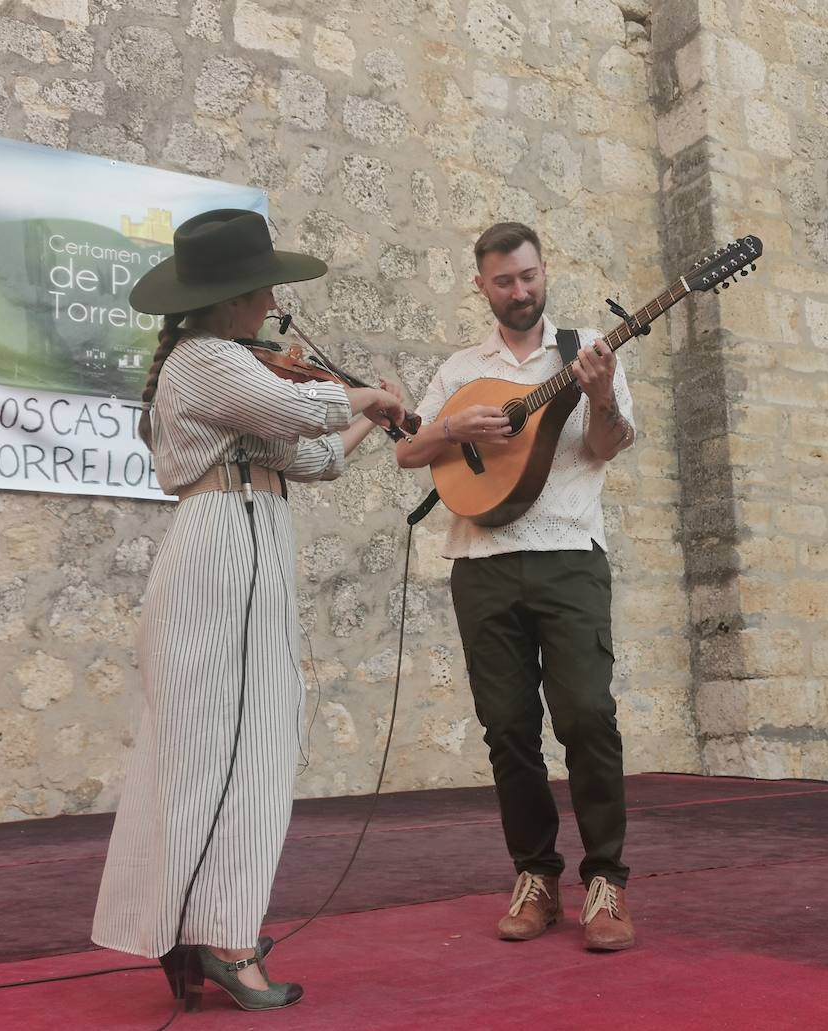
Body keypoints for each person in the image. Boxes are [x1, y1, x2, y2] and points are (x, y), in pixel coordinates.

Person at [91, 209, 406, 1011]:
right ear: (230, 296)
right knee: (223, 747)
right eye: (261, 286)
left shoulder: (235, 375)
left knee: (257, 742)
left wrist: (372, 413)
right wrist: (362, 391)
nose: (271, 300)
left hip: (253, 549)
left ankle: (215, 919)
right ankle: (217, 935)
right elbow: (302, 410)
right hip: (218, 554)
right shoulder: (202, 362)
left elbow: (315, 456)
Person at [394, 221, 637, 950]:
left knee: (587, 714)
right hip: (481, 561)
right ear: (483, 286)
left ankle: (606, 881)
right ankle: (536, 876)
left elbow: (605, 447)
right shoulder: (461, 367)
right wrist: (453, 425)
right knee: (507, 728)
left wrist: (598, 399)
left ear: (544, 271)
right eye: (504, 280)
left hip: (568, 552)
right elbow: (410, 450)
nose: (521, 290)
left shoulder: (589, 349)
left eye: (529, 276)